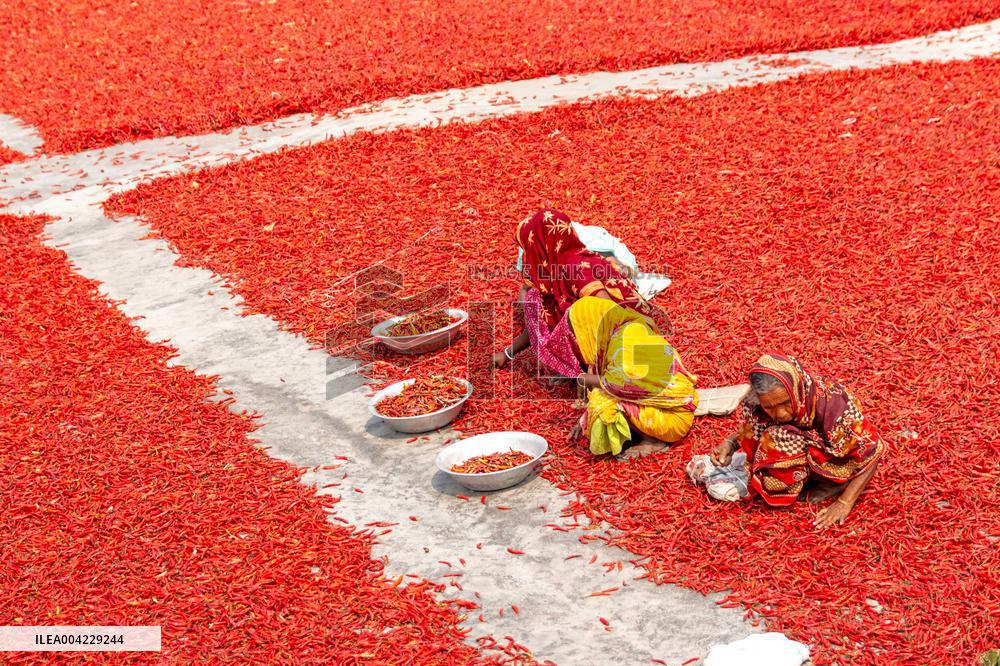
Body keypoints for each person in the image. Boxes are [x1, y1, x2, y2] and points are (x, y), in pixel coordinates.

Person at [712, 354, 886, 530]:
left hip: (835, 453)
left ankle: (833, 482)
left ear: (796, 388)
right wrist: (731, 443)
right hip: (805, 445)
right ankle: (804, 478)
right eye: (769, 407)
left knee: (779, 438)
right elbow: (753, 427)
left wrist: (844, 502)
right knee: (773, 436)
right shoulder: (756, 402)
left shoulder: (831, 401)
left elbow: (873, 449)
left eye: (785, 402)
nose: (779, 413)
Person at [492, 209, 671, 378]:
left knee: (578, 312)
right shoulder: (559, 268)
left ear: (542, 247)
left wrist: (598, 374)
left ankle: (604, 370)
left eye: (530, 249)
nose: (529, 257)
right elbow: (539, 318)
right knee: (536, 299)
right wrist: (507, 354)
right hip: (621, 337)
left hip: (629, 344)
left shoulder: (575, 268)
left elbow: (611, 315)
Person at [567, 296, 698, 459]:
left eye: (578, 333)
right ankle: (640, 433)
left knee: (602, 402)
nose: (578, 340)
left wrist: (583, 378)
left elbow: (617, 384)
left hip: (672, 419)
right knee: (599, 400)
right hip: (671, 408)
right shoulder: (625, 331)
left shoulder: (624, 340)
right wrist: (585, 418)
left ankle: (651, 440)